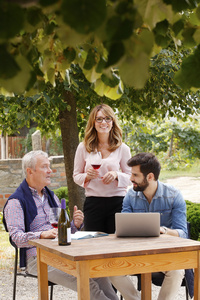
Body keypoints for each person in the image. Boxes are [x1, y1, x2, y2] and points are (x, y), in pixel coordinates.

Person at [3, 150, 119, 300]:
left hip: (62, 253)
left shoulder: (51, 197)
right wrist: (41, 235)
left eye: (49, 166)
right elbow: (16, 238)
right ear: (30, 171)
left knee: (100, 276)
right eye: (45, 167)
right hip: (38, 259)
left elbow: (60, 230)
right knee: (87, 282)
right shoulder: (16, 202)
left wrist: (75, 225)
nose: (50, 171)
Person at [120, 152, 188, 300]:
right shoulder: (130, 196)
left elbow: (183, 233)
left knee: (177, 270)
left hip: (164, 254)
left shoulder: (173, 195)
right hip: (136, 253)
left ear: (150, 177)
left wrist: (163, 230)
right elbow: (123, 228)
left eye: (135, 175)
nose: (131, 179)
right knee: (107, 269)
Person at [73, 103, 132, 234]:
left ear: (112, 122)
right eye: (99, 119)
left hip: (118, 203)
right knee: (94, 245)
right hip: (93, 203)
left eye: (107, 118)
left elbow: (132, 178)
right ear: (93, 123)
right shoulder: (83, 148)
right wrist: (87, 176)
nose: (103, 122)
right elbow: (76, 176)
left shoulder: (123, 148)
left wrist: (116, 175)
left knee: (117, 244)